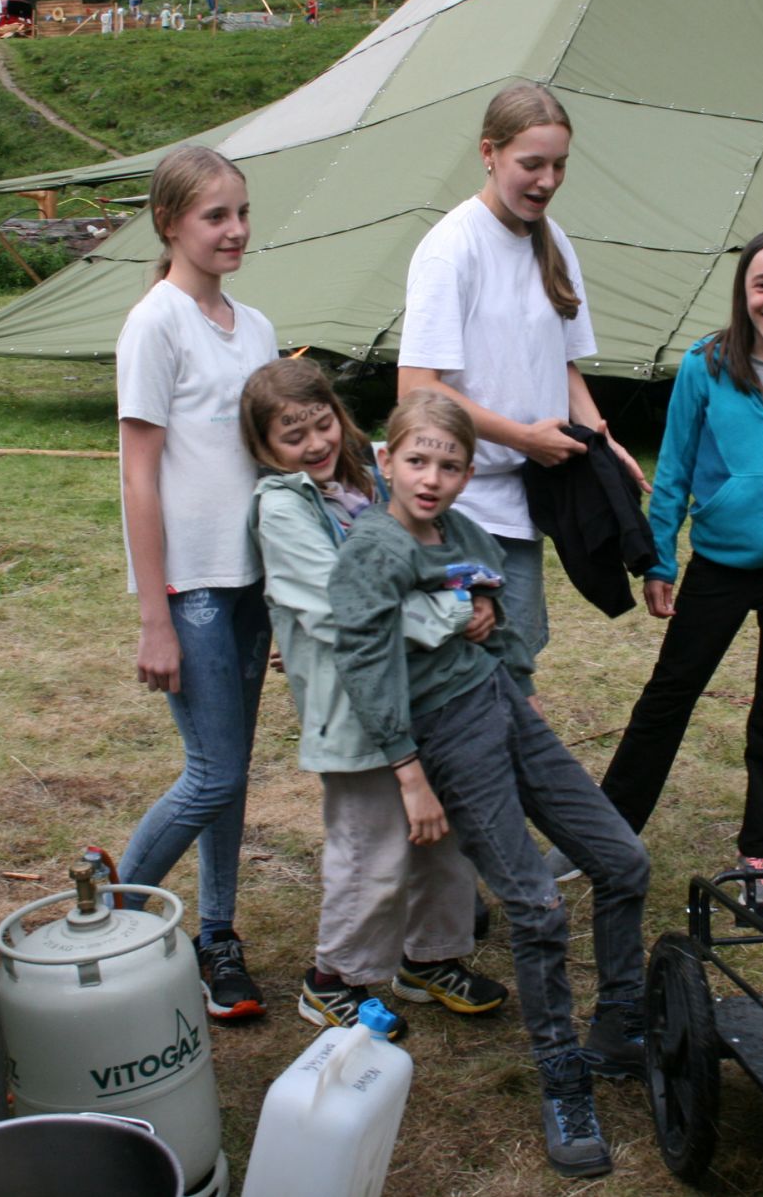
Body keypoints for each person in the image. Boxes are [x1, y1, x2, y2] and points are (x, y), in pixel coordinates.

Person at [329, 390, 650, 1179]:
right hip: (445, 730)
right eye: (416, 460)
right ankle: (563, 1081)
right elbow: (366, 665)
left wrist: (503, 650)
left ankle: (619, 1025)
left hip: (503, 701)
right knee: (537, 907)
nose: (430, 478)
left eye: (448, 465)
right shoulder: (372, 550)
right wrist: (410, 774)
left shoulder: (466, 531)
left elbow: (495, 611)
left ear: (469, 474)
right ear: (387, 461)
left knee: (624, 861)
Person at [572, 228, 763, 909]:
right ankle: (605, 831)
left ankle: (759, 850)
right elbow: (676, 469)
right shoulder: (705, 365)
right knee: (668, 695)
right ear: (744, 291)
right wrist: (659, 560)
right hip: (718, 563)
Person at [240, 358, 510, 1039]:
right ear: (264, 446)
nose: (316, 443)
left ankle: (431, 957)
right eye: (293, 435)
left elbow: (426, 560)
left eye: (322, 423)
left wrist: (477, 595)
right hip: (354, 704)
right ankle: (335, 979)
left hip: (426, 690)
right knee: (373, 848)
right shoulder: (282, 508)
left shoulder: (367, 481)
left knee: (440, 832)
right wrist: (454, 614)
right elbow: (345, 611)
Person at [397, 81, 646, 665]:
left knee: (514, 660)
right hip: (459, 506)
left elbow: (562, 364)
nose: (547, 181)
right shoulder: (451, 249)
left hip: (525, 503)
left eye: (559, 165)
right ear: (489, 152)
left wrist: (603, 442)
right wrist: (523, 438)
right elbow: (417, 390)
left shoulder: (552, 241)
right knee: (464, 668)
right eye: (531, 165)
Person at [114, 145, 277, 1021]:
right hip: (193, 588)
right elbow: (138, 476)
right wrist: (155, 615)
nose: (236, 229)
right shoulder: (156, 324)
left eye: (242, 212)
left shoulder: (254, 327)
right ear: (170, 222)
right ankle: (113, 914)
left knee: (232, 770)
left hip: (252, 582)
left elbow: (269, 460)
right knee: (212, 772)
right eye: (216, 215)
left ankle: (217, 933)